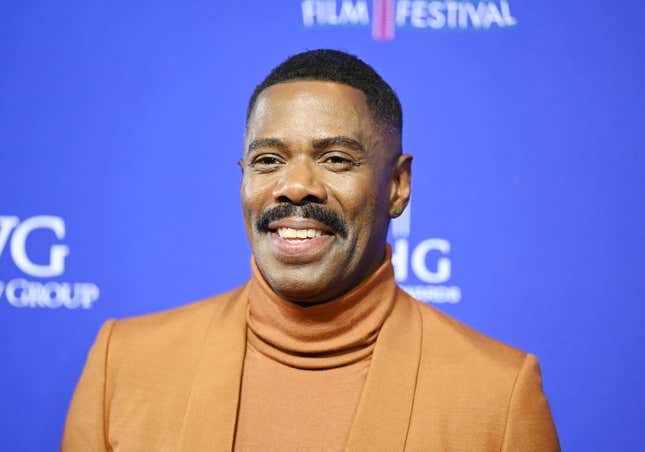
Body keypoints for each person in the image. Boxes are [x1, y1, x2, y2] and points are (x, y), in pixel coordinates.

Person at [62, 49, 560, 451]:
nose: (295, 185)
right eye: (269, 159)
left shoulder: (499, 397)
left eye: (336, 158)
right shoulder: (122, 364)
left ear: (398, 185)